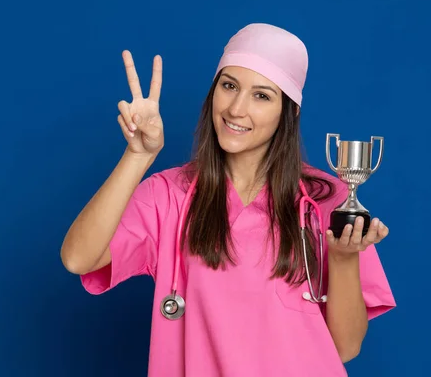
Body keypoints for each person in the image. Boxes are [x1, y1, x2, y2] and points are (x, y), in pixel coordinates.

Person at [60, 22, 396, 377]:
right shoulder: (170, 195)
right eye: (229, 86)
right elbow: (78, 258)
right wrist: (138, 156)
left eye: (262, 96)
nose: (236, 109)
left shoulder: (327, 200)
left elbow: (345, 347)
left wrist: (344, 260)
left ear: (289, 110)